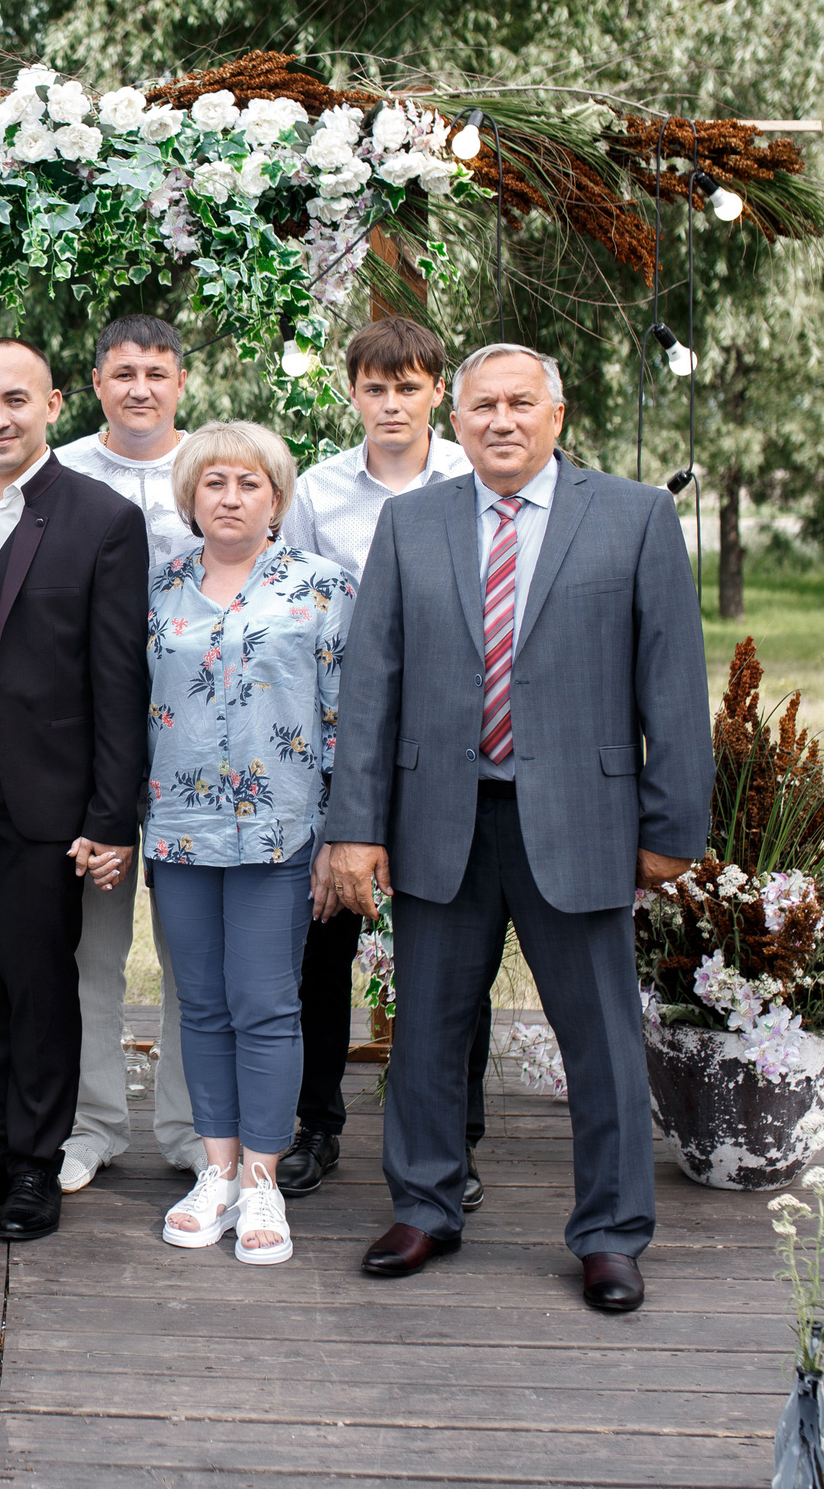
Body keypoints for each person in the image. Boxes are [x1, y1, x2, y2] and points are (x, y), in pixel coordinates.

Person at [325, 344, 709, 1314]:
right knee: (425, 1036)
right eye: (482, 405)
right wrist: (357, 825)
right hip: (440, 825)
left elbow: (674, 683)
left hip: (582, 823)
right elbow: (371, 687)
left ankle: (612, 1235)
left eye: (519, 403)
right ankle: (424, 1205)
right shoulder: (413, 526)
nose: (500, 420)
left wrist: (671, 828)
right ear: (456, 422)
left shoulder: (632, 518)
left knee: (603, 1040)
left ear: (556, 412)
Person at [0, 341, 149, 1245]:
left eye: (17, 399)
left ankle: (38, 1164)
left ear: (52, 403)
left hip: (49, 803)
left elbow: (119, 682)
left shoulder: (101, 518)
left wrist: (108, 816)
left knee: (40, 983)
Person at [274, 317, 488, 1208]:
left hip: (451, 734)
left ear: (437, 390)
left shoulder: (476, 479)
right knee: (324, 942)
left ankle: (454, 1135)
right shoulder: (321, 490)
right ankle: (316, 1122)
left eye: (408, 386)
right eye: (374, 387)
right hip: (345, 736)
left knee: (452, 948)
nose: (391, 403)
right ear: (352, 392)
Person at [144, 422, 353, 1266]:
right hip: (178, 829)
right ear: (191, 497)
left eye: (249, 483)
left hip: (280, 831)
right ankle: (218, 1170)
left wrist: (343, 835)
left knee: (266, 1003)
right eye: (214, 483)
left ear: (277, 496)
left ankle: (265, 1179)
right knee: (201, 1004)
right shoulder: (157, 587)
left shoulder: (322, 586)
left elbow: (344, 715)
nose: (231, 497)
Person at [52, 314, 207, 1188]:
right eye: (123, 372)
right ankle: (92, 1121)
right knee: (90, 947)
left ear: (180, 382)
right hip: (90, 746)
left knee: (192, 951)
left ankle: (188, 1127)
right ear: (98, 383)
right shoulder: (64, 470)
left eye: (156, 372)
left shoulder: (213, 468)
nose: (140, 387)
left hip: (195, 745)